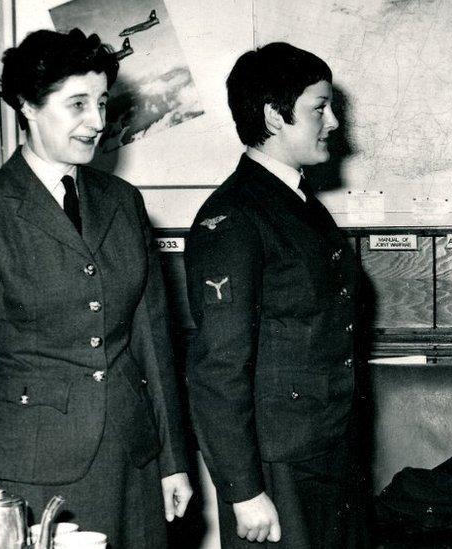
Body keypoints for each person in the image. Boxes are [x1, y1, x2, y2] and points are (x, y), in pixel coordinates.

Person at [0, 29, 192, 547]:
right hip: (31, 481)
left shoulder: (123, 201)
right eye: (77, 105)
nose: (97, 122)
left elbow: (152, 341)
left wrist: (172, 460)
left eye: (101, 103)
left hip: (135, 463)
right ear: (27, 105)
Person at [184, 42, 365, 548]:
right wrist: (243, 490)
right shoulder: (235, 217)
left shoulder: (298, 201)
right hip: (277, 464)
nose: (332, 123)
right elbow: (218, 367)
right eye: (319, 109)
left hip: (328, 449)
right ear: (273, 116)